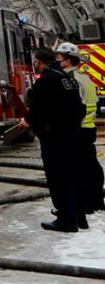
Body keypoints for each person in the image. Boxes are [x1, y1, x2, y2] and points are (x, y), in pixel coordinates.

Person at [24, 46, 85, 231]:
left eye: (34, 61)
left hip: (55, 137)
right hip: (73, 135)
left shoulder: (46, 81)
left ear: (39, 62)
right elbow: (79, 108)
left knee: (59, 179)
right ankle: (79, 218)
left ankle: (66, 221)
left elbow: (40, 110)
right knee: (73, 177)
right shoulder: (68, 79)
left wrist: (28, 121)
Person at [57, 42, 104, 216]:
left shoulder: (70, 81)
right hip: (88, 127)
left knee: (78, 169)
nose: (57, 62)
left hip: (77, 129)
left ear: (68, 61)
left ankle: (85, 204)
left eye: (59, 59)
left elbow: (73, 108)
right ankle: (96, 200)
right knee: (91, 166)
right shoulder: (86, 78)